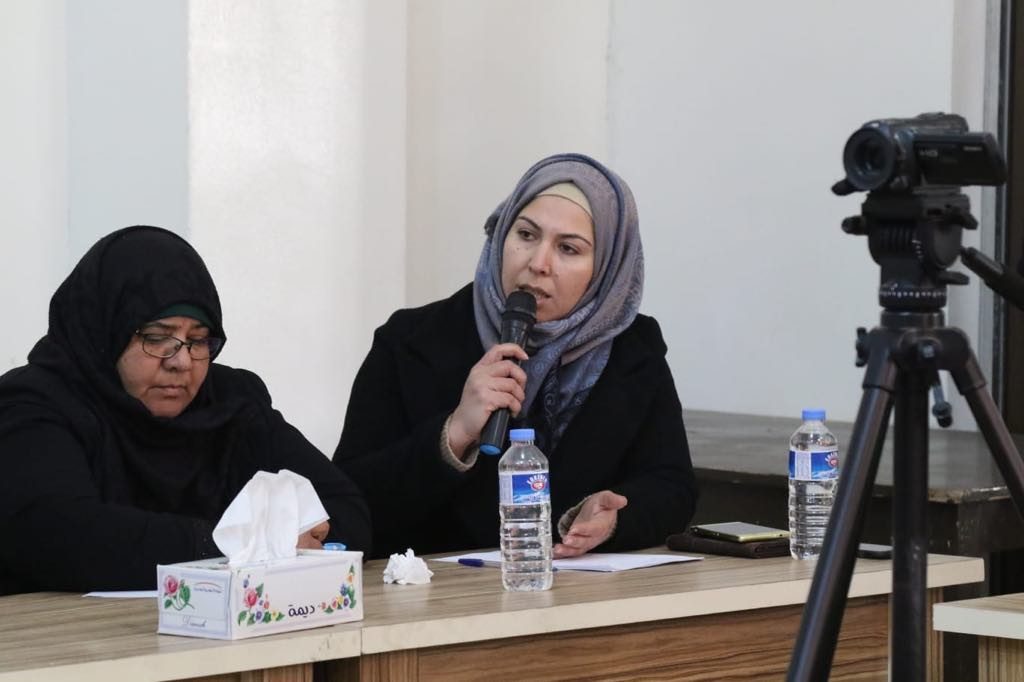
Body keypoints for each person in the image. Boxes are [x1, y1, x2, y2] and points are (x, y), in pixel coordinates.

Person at [334, 152, 697, 559]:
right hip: (436, 588)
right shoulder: (409, 341)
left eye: (568, 249)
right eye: (526, 234)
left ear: (607, 268)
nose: (538, 263)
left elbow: (673, 488)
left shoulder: (633, 350)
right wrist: (453, 434)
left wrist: (615, 519)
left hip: (574, 588)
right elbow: (349, 503)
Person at [0, 226, 371, 595]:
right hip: (61, 629)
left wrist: (267, 543)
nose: (181, 361)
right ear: (105, 331)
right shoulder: (34, 404)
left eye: (198, 341)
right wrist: (241, 545)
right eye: (157, 338)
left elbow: (346, 512)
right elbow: (61, 536)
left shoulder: (231, 403)